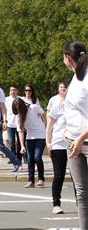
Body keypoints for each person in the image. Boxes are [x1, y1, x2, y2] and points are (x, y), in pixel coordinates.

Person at [62, 41, 88, 230]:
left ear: (69, 58)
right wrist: (68, 133)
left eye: (64, 57)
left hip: (83, 141)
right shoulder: (75, 76)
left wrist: (80, 138)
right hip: (73, 141)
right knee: (81, 193)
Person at [13, 97, 46, 188]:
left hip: (41, 135)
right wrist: (22, 145)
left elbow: (43, 113)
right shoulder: (18, 117)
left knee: (37, 157)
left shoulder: (33, 107)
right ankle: (31, 181)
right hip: (30, 137)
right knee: (30, 159)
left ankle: (41, 179)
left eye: (19, 109)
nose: (18, 112)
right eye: (16, 110)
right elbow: (20, 131)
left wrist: (45, 125)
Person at [46, 82, 68, 214]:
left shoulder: (74, 103)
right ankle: (56, 204)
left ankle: (81, 204)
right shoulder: (55, 102)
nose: (63, 89)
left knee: (78, 176)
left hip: (73, 142)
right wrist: (48, 142)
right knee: (59, 174)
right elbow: (49, 124)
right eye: (61, 87)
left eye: (65, 88)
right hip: (58, 142)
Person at [5, 85, 23, 165]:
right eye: (11, 90)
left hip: (19, 123)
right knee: (11, 142)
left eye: (15, 90)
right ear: (9, 91)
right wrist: (4, 121)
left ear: (17, 91)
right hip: (10, 123)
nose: (13, 91)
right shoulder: (6, 100)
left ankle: (21, 157)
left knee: (20, 142)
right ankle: (12, 157)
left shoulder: (20, 99)